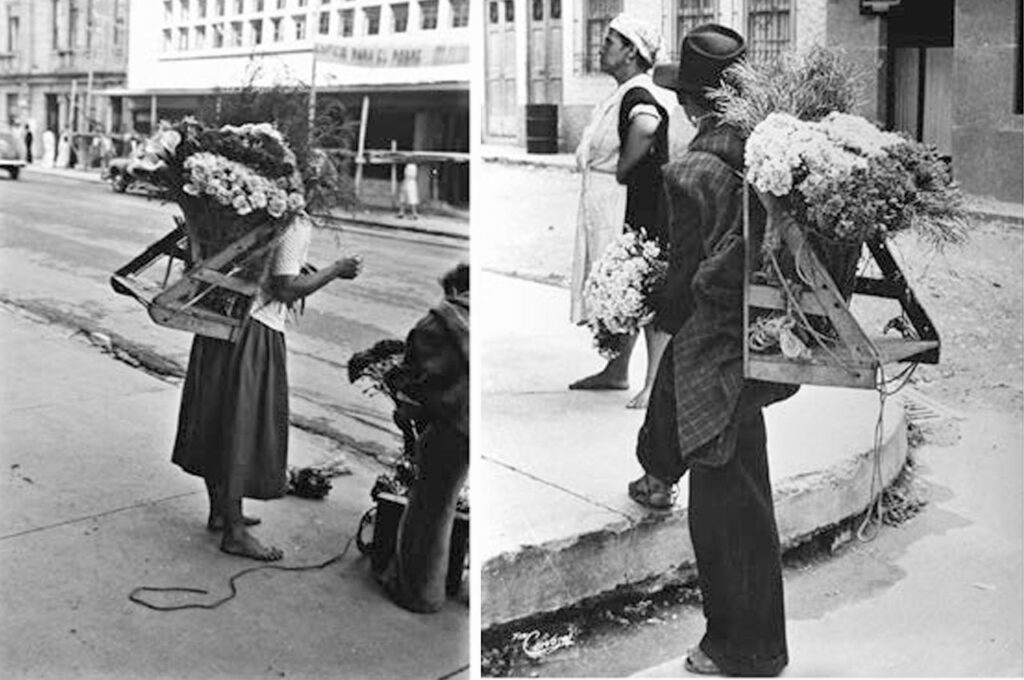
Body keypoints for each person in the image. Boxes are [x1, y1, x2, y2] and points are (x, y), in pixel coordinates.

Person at [628, 25, 799, 676]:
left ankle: (740, 648)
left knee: (723, 511)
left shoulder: (695, 168)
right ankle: (758, 644)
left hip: (712, 355)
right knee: (747, 498)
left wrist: (646, 293)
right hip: (750, 349)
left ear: (688, 103)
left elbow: (683, 285)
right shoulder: (759, 151)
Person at [171, 212, 362, 561]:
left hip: (220, 323)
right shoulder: (296, 221)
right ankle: (235, 533)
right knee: (241, 426)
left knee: (217, 417)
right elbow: (285, 287)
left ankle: (221, 512)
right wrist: (336, 270)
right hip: (254, 331)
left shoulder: (249, 210)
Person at [568, 13, 680, 409]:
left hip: (635, 207)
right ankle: (616, 371)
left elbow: (648, 124)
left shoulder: (637, 93)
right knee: (621, 291)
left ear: (631, 51)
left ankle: (653, 386)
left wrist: (625, 166)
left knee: (644, 292)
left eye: (610, 41)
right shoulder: (620, 91)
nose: (602, 47)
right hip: (613, 205)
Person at [379, 263, 469, 612]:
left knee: (432, 506)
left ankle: (421, 593)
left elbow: (418, 387)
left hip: (456, 424)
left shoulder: (440, 321)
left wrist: (408, 414)